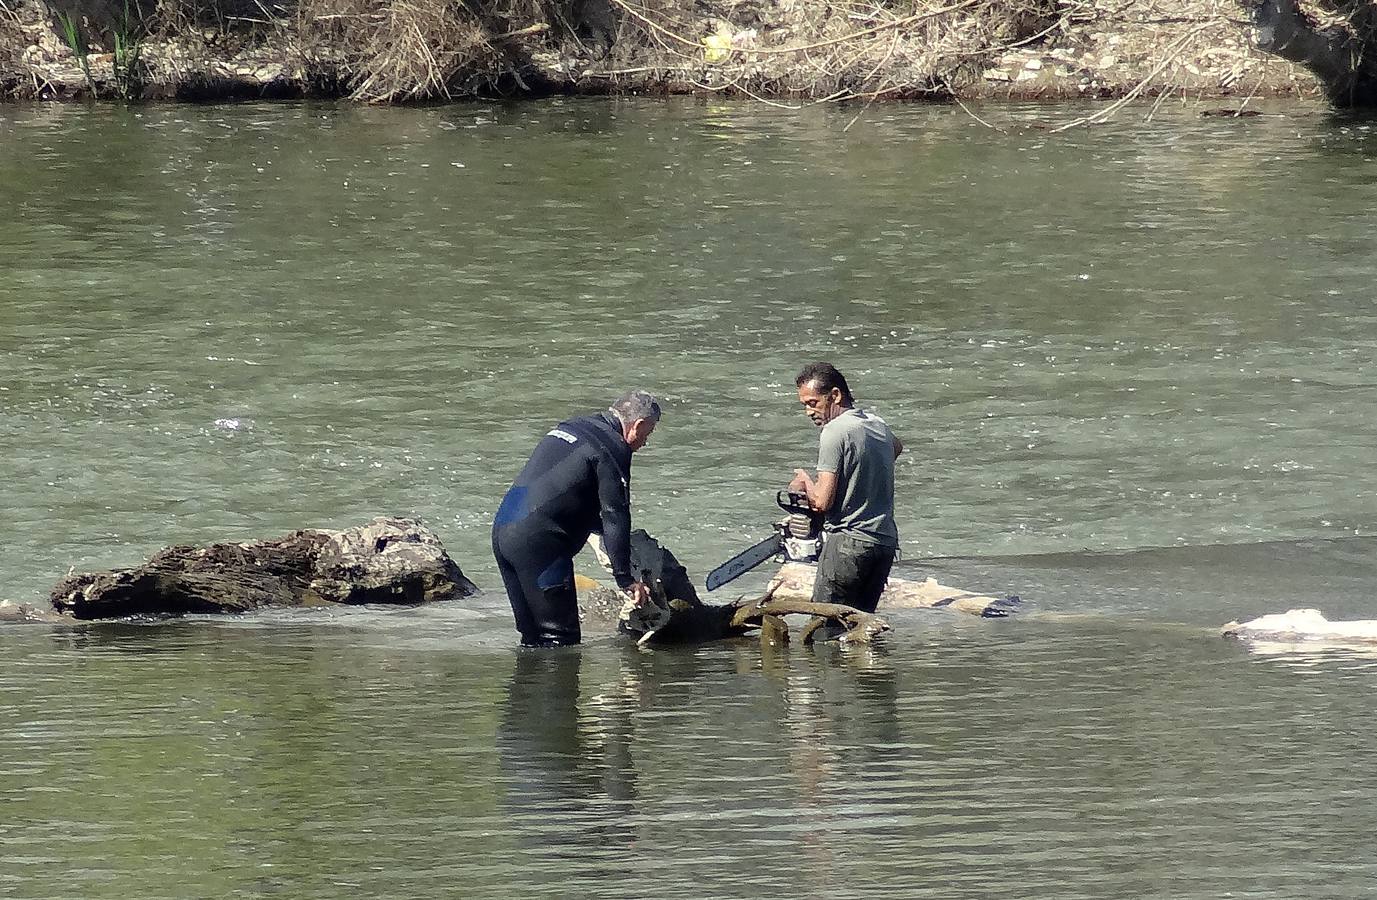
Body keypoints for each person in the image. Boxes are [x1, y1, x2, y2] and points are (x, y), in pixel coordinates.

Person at [492, 390, 659, 646]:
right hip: (541, 544)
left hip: (504, 532)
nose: (645, 442)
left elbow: (570, 491)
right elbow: (615, 514)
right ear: (637, 424)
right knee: (560, 639)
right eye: (648, 433)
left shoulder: (576, 426)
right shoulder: (612, 447)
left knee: (532, 637)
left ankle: (525, 686)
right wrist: (625, 578)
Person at [788, 363, 902, 614]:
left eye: (812, 403)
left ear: (835, 396)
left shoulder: (833, 431)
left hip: (849, 544)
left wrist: (804, 480)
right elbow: (896, 447)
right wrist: (862, 474)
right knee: (860, 625)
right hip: (883, 543)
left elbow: (821, 502)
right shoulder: (876, 423)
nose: (808, 412)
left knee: (824, 625)